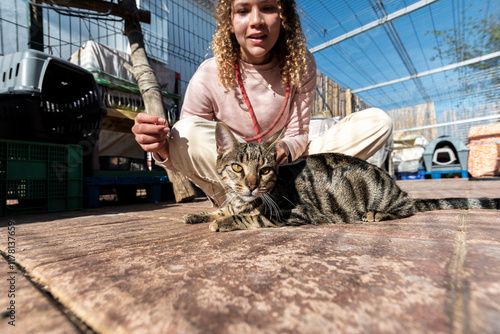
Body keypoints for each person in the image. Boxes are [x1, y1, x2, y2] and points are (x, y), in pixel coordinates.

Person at [132, 0, 393, 206]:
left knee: (377, 122)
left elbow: (298, 135)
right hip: (233, 183)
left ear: (284, 16)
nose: (256, 21)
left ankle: (292, 196)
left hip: (285, 173)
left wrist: (277, 153)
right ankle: (233, 204)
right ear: (230, 21)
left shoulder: (301, 65)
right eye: (243, 10)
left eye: (268, 8)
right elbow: (186, 149)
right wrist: (161, 146)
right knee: (185, 131)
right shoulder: (209, 73)